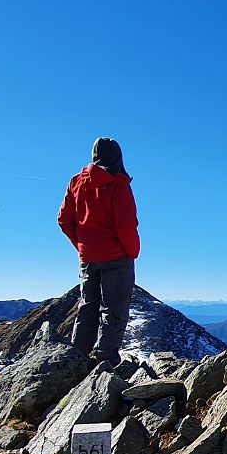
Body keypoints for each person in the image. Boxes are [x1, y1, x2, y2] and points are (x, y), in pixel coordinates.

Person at [58, 137, 139, 368]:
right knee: (114, 309)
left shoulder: (76, 182)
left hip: (88, 259)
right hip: (116, 258)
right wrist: (131, 253)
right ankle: (107, 361)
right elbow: (126, 226)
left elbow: (64, 220)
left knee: (88, 306)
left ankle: (78, 357)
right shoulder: (118, 185)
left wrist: (82, 245)